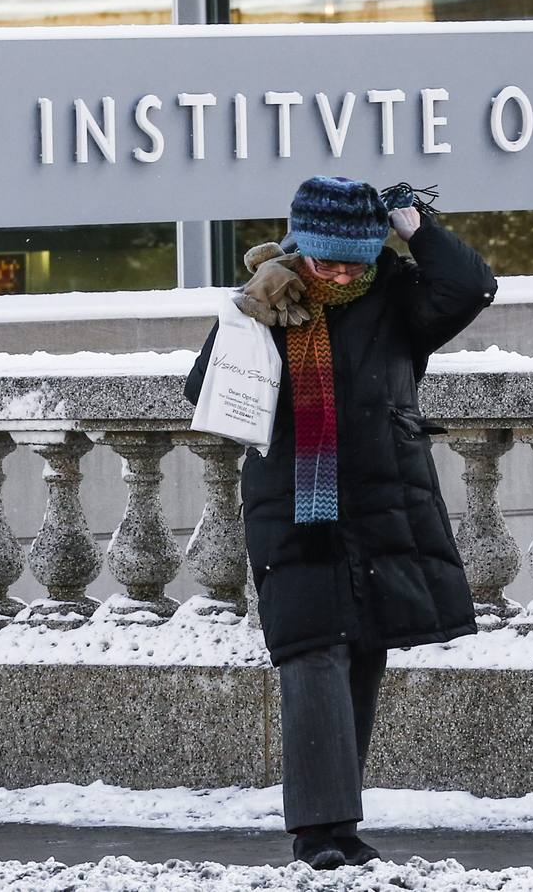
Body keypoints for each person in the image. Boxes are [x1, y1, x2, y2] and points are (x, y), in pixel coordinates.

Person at [184, 175, 497, 869]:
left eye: (355, 259)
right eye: (327, 261)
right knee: (311, 653)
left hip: (383, 500)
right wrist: (247, 318)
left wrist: (416, 229)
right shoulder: (268, 295)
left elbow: (469, 288)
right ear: (301, 250)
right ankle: (320, 832)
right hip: (294, 505)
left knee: (361, 652)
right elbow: (203, 392)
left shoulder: (395, 298)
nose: (342, 273)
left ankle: (337, 827)